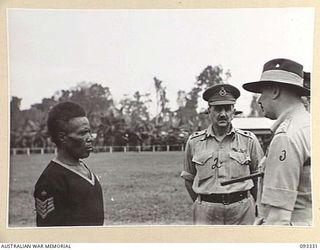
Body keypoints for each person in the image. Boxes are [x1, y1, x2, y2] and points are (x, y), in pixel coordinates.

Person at [181, 83, 264, 225]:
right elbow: (189, 178)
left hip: (242, 210)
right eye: (218, 109)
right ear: (209, 111)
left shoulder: (248, 140)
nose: (223, 114)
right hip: (206, 211)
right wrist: (204, 203)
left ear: (234, 111)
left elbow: (258, 177)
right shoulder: (194, 142)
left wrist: (256, 205)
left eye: (227, 108)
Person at [242, 58, 311, 225]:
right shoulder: (309, 124)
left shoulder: (286, 137)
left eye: (261, 92)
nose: (258, 100)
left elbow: (278, 216)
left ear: (274, 91)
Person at [33, 101, 104, 226]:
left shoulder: (82, 167)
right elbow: (50, 235)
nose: (90, 138)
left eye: (89, 132)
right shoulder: (51, 180)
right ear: (62, 138)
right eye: (82, 133)